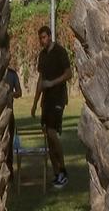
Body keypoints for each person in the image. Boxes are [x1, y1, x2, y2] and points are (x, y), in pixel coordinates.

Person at [31, 22, 71, 188]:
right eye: (40, 38)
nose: (42, 41)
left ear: (49, 36)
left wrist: (53, 83)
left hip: (58, 98)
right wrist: (35, 103)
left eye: (44, 37)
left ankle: (63, 170)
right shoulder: (42, 56)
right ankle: (57, 175)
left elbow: (69, 74)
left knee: (53, 133)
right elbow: (41, 80)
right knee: (48, 135)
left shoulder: (60, 52)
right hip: (46, 101)